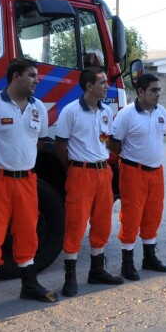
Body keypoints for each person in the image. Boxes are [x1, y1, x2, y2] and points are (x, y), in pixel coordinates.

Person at [0, 58, 57, 318]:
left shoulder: (38, 107)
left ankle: (29, 285)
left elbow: (39, 142)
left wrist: (22, 162)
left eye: (36, 75)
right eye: (31, 75)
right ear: (16, 77)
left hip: (27, 180)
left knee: (27, 231)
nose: (37, 80)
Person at [54, 67, 124, 297]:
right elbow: (60, 146)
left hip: (103, 172)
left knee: (103, 222)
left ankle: (96, 271)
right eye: (102, 82)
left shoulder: (105, 111)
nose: (107, 86)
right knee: (76, 223)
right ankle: (70, 277)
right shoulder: (71, 111)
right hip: (80, 173)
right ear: (89, 86)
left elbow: (105, 141)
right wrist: (72, 170)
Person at [109, 73, 166, 280]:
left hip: (156, 171)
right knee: (131, 216)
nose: (158, 94)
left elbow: (157, 138)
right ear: (141, 92)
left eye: (159, 90)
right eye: (154, 90)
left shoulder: (162, 112)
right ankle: (127, 263)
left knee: (153, 214)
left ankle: (149, 258)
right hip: (133, 171)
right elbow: (114, 144)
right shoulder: (126, 114)